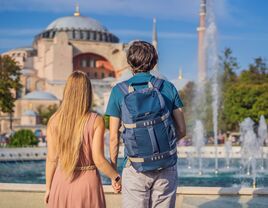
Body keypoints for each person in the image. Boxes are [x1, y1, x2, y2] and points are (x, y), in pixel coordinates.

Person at [106, 41, 186, 208]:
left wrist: (113, 173)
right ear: (154, 62)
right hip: (166, 165)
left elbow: (113, 138)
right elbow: (182, 130)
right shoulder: (168, 87)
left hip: (135, 165)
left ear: (129, 64)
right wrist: (163, 145)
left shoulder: (118, 91)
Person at [44, 71, 121, 208]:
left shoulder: (54, 120)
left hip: (60, 183)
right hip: (87, 184)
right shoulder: (96, 120)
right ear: (88, 92)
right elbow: (99, 159)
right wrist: (115, 177)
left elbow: (52, 159)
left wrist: (49, 187)